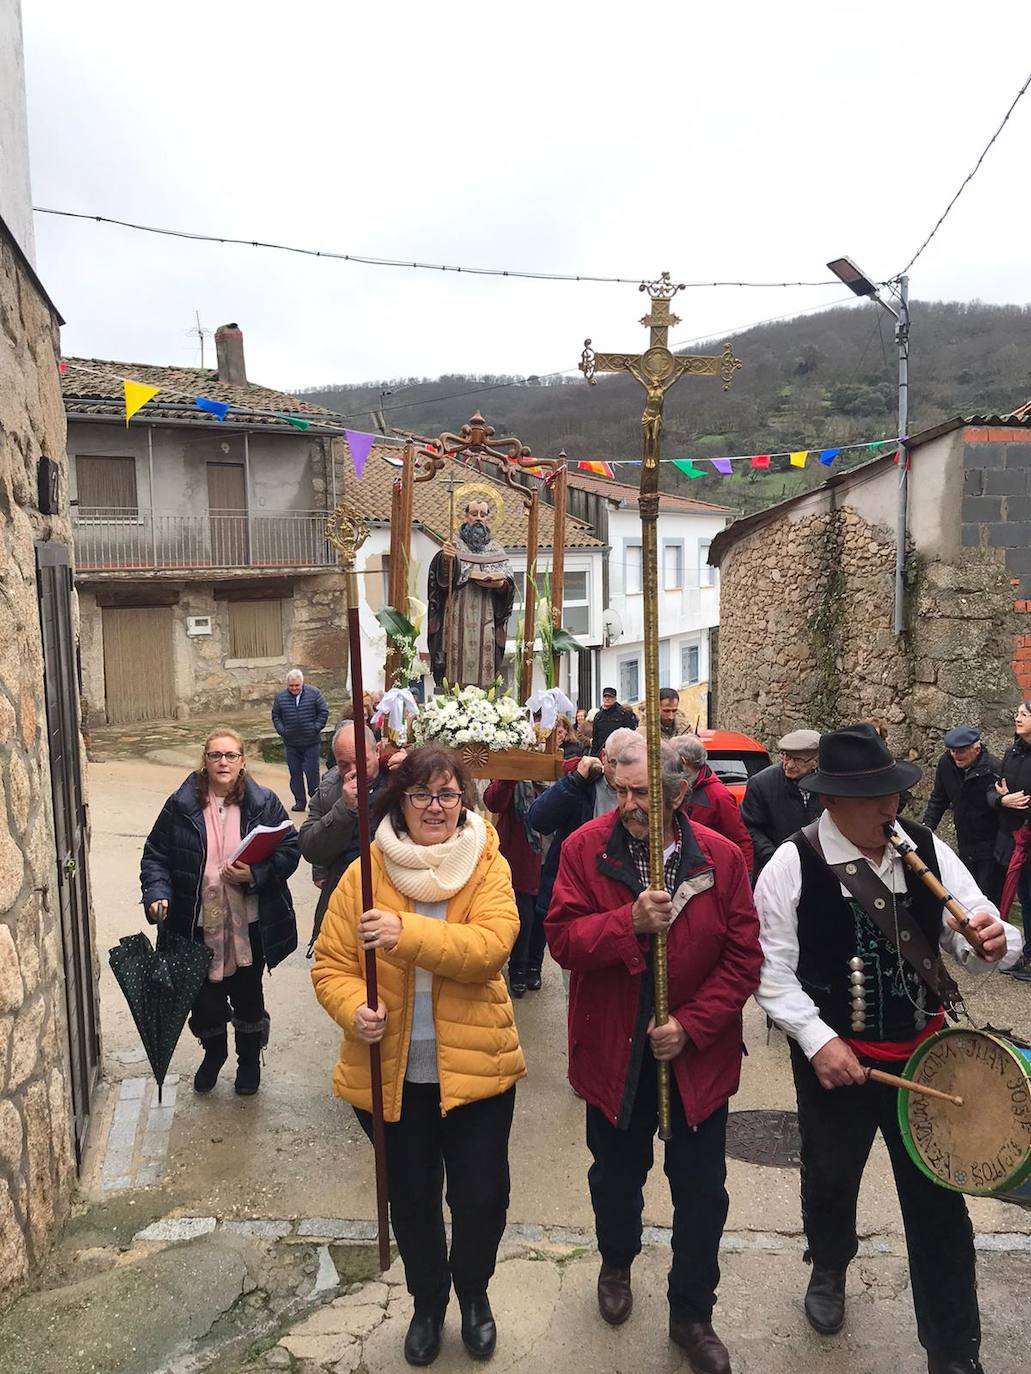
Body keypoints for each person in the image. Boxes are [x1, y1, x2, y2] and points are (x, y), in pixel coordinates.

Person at [754, 724, 1021, 1374]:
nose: (888, 811)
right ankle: (827, 1268)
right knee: (829, 1178)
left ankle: (952, 1351)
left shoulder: (923, 847)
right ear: (831, 803)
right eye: (873, 800)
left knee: (937, 1207)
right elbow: (769, 974)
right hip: (835, 1064)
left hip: (924, 1056)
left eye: (892, 796)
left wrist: (994, 942)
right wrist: (816, 1043)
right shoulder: (792, 864)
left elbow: (977, 927)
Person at [545, 734, 761, 1373]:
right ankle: (616, 1258)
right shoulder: (587, 849)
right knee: (615, 1175)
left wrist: (692, 1025)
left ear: (682, 792)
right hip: (614, 1052)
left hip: (697, 1057)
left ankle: (692, 1314)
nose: (631, 804)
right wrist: (626, 924)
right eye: (622, 791)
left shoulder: (720, 860)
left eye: (646, 793)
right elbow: (560, 936)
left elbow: (744, 957)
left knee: (702, 1193)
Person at [311, 747, 525, 1367]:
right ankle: (428, 1302)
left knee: (482, 1196)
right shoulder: (366, 874)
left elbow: (490, 948)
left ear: (465, 801)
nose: (437, 807)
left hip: (478, 1067)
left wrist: (407, 936)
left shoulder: (486, 863)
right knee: (410, 1198)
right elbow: (332, 965)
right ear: (400, 802)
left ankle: (475, 1294)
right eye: (423, 795)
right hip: (394, 1073)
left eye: (449, 795)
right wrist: (354, 1008)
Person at [140, 728, 299, 1096]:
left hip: (250, 923)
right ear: (205, 760)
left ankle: (247, 1060)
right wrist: (157, 893)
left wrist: (255, 873)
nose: (223, 762)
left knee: (247, 996)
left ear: (243, 760)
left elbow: (289, 850)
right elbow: (156, 855)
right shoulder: (181, 806)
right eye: (216, 756)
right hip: (196, 923)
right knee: (205, 1000)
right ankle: (214, 1054)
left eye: (231, 755)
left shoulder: (264, 803)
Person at [528, 727, 637, 937]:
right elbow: (539, 820)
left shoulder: (644, 791)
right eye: (615, 763)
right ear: (603, 757)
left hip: (623, 895)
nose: (621, 773)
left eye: (628, 763)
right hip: (581, 892)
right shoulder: (583, 786)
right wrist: (575, 780)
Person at [300, 722, 386, 957]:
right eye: (343, 764)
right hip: (344, 900)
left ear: (377, 751)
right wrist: (344, 810)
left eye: (360, 761)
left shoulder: (399, 779)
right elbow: (309, 848)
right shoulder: (329, 789)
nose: (352, 771)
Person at [426, 497, 515, 689]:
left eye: (483, 515)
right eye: (474, 514)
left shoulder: (496, 548)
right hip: (458, 612)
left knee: (485, 656)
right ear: (466, 517)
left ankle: (485, 693)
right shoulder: (453, 545)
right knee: (456, 655)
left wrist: (501, 585)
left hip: (487, 614)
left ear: (488, 518)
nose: (479, 519)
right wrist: (445, 560)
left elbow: (508, 584)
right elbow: (441, 582)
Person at [922, 726, 1004, 905]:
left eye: (962, 751)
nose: (956, 755)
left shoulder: (993, 768)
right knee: (966, 896)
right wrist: (927, 827)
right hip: (965, 842)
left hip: (990, 845)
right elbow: (939, 797)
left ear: (977, 748)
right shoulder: (946, 764)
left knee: (987, 896)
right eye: (952, 750)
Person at [484, 777, 544, 996]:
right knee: (522, 912)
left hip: (548, 849)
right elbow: (493, 802)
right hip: (520, 852)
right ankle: (517, 967)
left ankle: (534, 966)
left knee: (543, 912)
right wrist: (509, 778)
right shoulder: (511, 773)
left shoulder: (558, 773)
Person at [740, 728, 823, 875]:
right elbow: (750, 827)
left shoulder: (828, 783)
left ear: (815, 762)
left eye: (797, 760)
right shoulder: (761, 783)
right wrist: (775, 859)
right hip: (776, 870)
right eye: (786, 756)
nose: (789, 765)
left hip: (820, 869)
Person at [988, 700, 1031, 979]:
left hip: (1027, 836)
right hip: (1014, 841)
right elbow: (991, 793)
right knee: (1025, 898)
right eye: (1018, 713)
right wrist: (1003, 800)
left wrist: (1022, 807)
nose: (1018, 717)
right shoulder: (1012, 752)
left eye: (1025, 714)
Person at [672, 733, 754, 871]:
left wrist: (744, 877)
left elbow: (741, 841)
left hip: (707, 872)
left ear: (683, 761)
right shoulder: (678, 785)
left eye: (671, 760)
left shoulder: (718, 796)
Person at [272, 669, 329, 812]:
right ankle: (299, 801)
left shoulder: (314, 693)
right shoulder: (280, 698)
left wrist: (315, 728)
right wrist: (282, 730)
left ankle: (315, 801)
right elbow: (276, 715)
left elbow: (323, 711)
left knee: (311, 772)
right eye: (291, 686)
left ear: (302, 683)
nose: (294, 688)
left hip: (311, 742)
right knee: (295, 774)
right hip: (291, 744)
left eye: (297, 685)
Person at [592, 687, 639, 756]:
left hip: (620, 752)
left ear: (615, 698)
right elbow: (595, 739)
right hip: (603, 752)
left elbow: (630, 734)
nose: (607, 699)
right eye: (605, 696)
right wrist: (594, 755)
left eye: (610, 696)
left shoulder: (623, 714)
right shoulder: (598, 716)